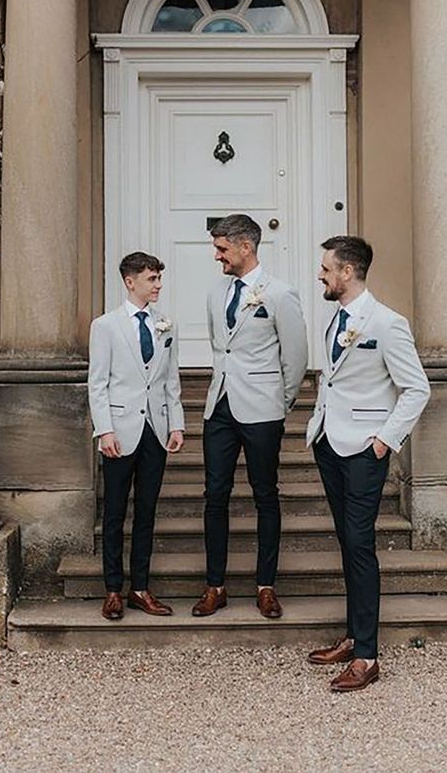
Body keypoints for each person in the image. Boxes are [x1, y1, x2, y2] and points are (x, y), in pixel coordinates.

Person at [306, 235, 430, 692]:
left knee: (359, 544)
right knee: (348, 541)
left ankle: (367, 657)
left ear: (347, 272)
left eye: (326, 268)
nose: (320, 274)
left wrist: (384, 440)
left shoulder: (387, 323)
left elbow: (417, 388)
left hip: (364, 448)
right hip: (329, 442)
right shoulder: (334, 315)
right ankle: (354, 634)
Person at [192, 214, 308, 620]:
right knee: (214, 496)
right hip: (218, 408)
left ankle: (266, 586)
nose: (217, 256)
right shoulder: (215, 293)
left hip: (262, 410)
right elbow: (218, 347)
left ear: (246, 247)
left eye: (222, 248)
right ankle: (215, 586)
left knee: (265, 495)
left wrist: (281, 402)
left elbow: (296, 357)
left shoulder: (279, 293)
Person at [88, 251, 185, 622]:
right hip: (119, 432)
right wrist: (105, 429)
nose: (158, 285)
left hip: (155, 431)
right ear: (131, 282)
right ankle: (113, 590)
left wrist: (175, 424)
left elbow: (170, 380)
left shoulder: (166, 324)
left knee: (146, 512)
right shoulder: (106, 326)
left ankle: (140, 589)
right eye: (151, 279)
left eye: (159, 279)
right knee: (114, 513)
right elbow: (98, 383)